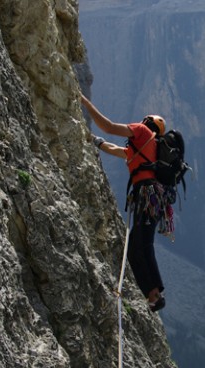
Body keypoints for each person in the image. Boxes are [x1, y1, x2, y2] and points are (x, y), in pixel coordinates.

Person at [80, 94, 171, 312]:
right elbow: (114, 148)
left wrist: (83, 101)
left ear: (146, 122)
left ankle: (154, 294)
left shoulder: (142, 132)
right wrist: (92, 139)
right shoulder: (147, 149)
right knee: (138, 247)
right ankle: (153, 294)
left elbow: (109, 127)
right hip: (153, 199)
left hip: (147, 196)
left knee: (139, 247)